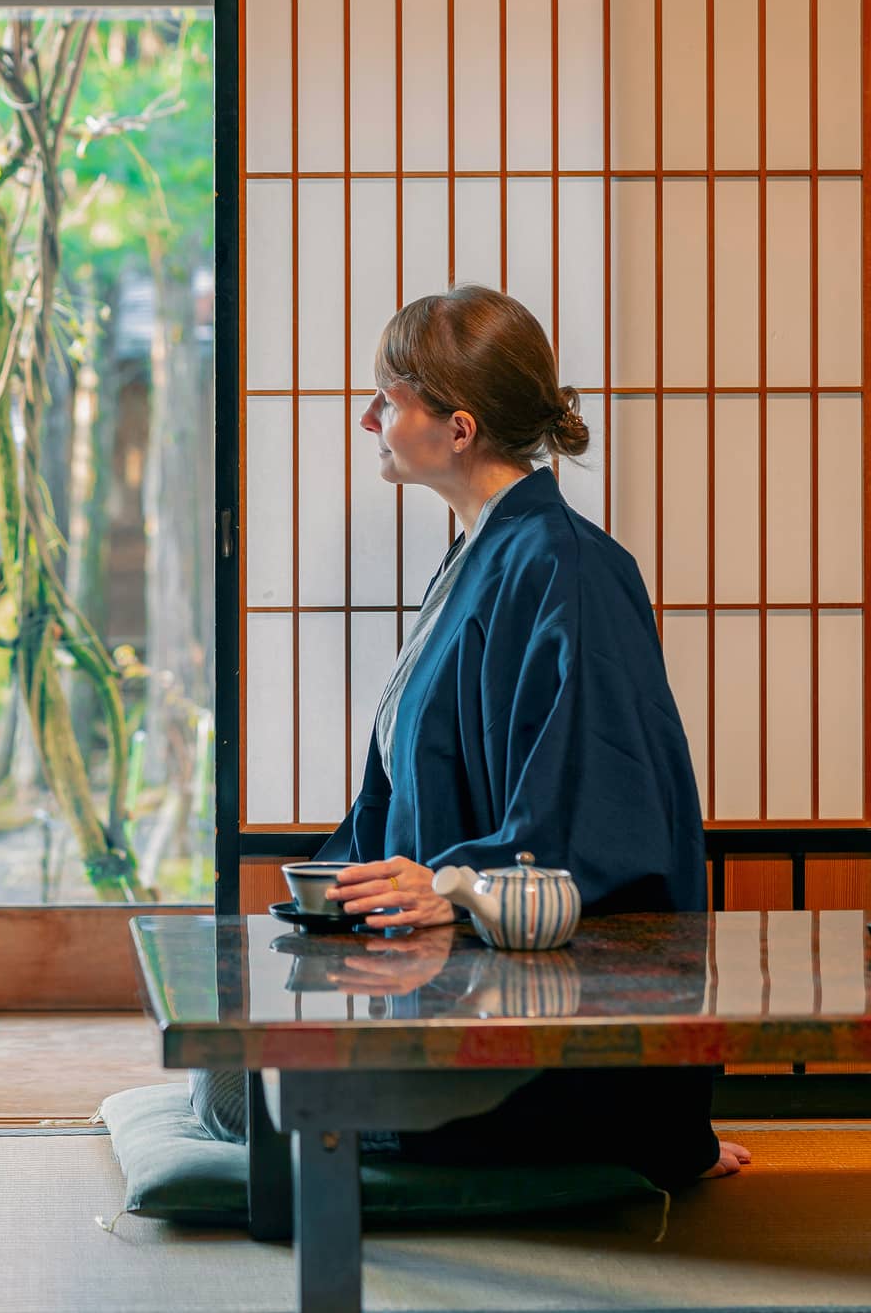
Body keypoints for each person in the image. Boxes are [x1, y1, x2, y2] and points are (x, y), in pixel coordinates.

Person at [194, 284, 748, 1185]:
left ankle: (620, 1131)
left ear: (457, 429)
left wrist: (450, 882)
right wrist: (341, 895)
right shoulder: (485, 554)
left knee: (235, 1093)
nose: (368, 415)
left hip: (537, 1015)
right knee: (225, 1069)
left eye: (389, 397)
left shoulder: (568, 569)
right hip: (451, 980)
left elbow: (607, 817)